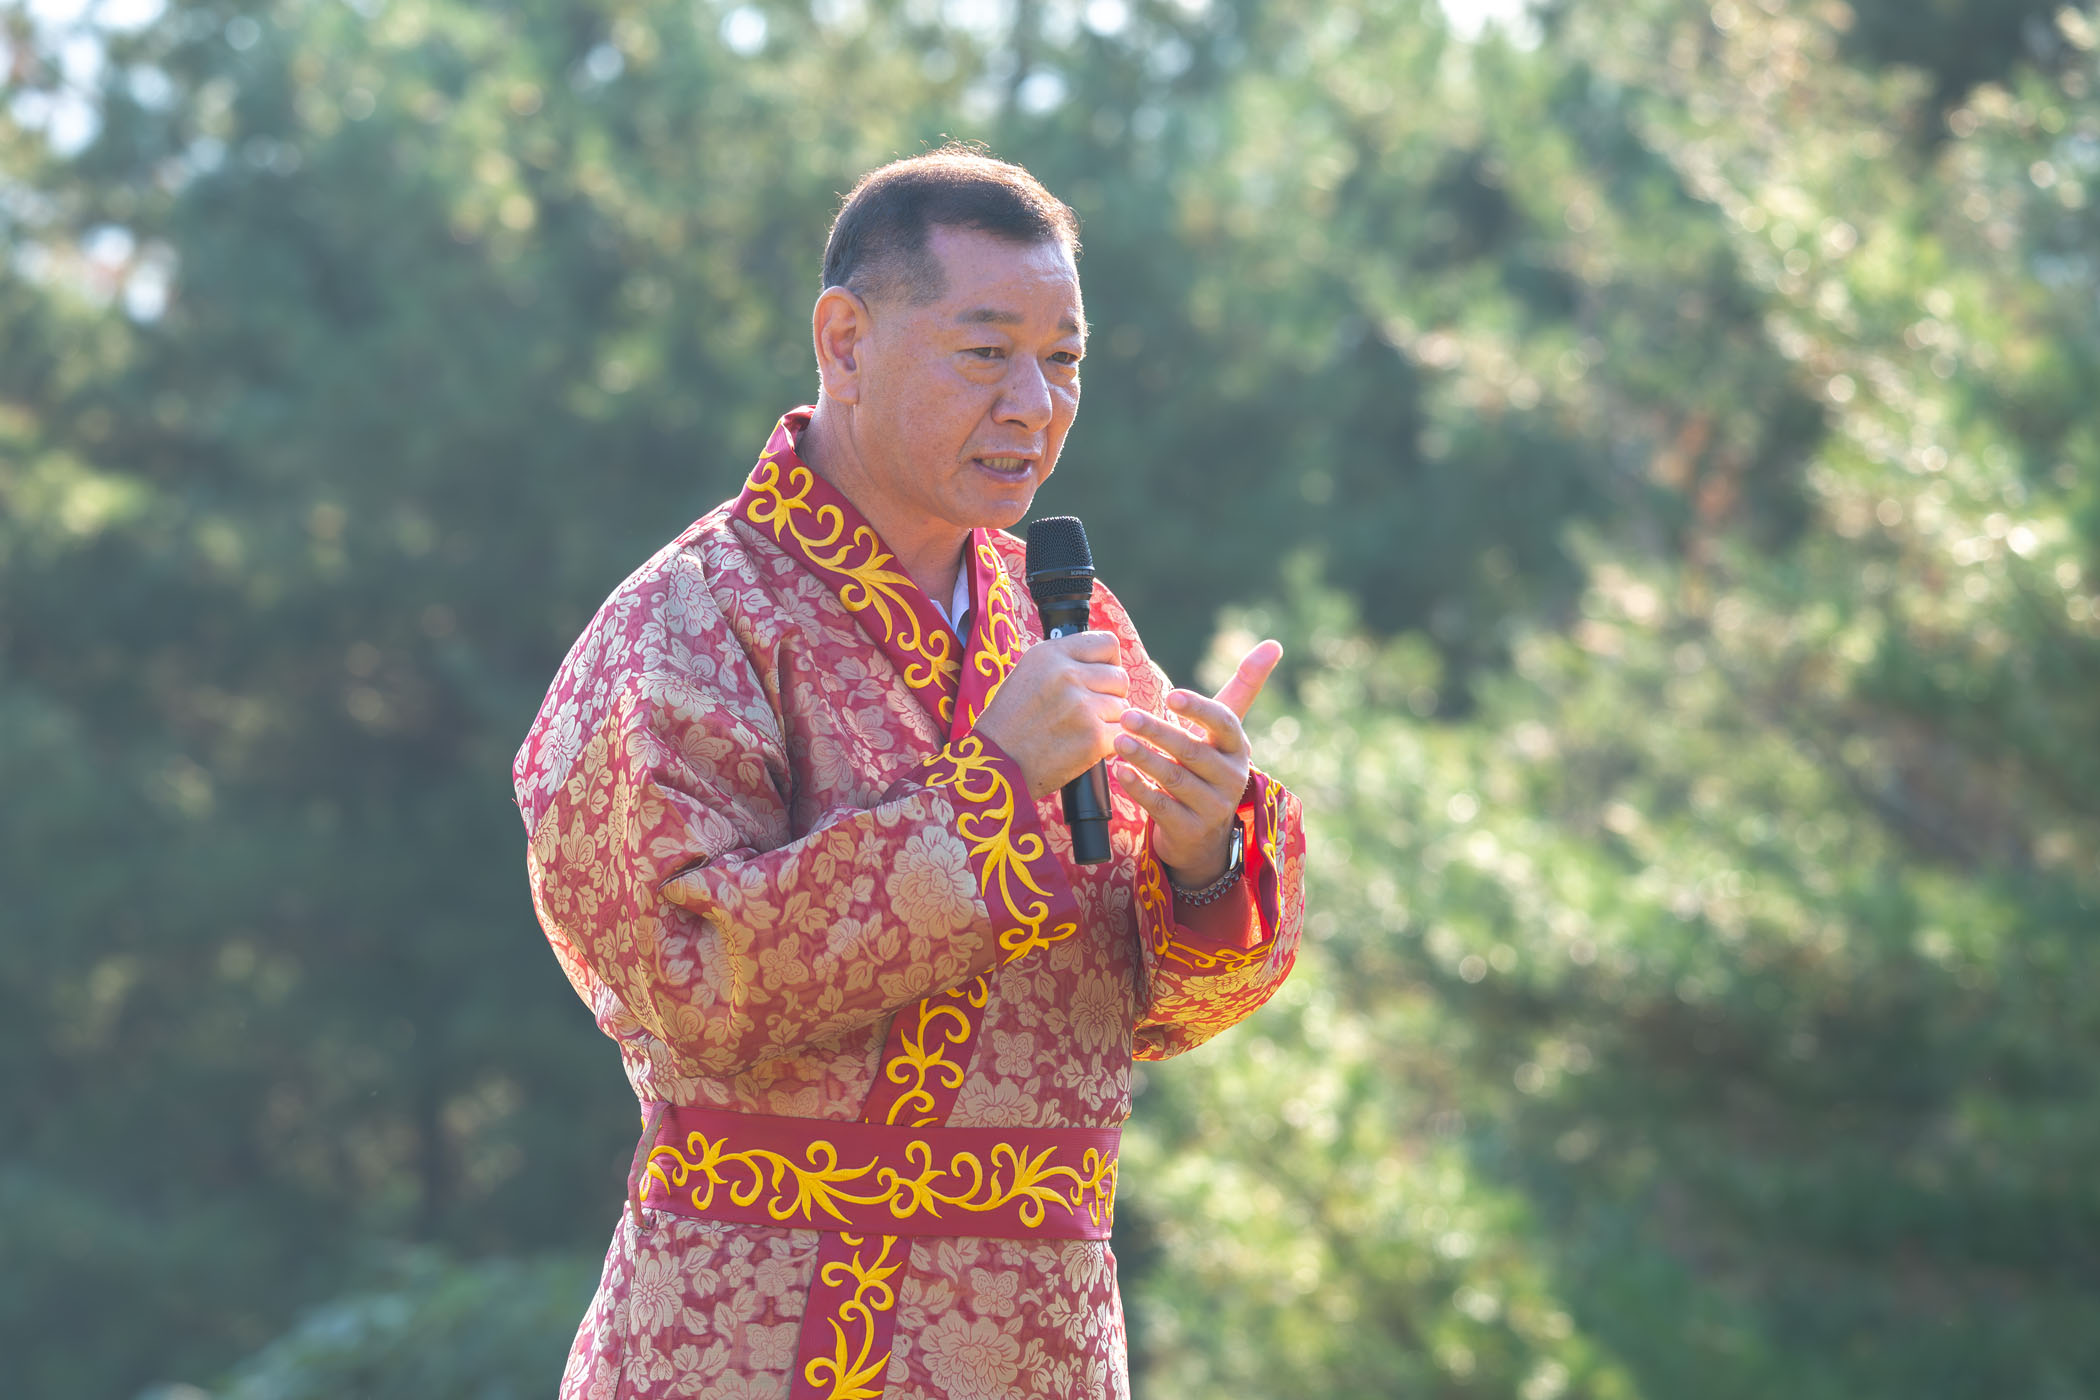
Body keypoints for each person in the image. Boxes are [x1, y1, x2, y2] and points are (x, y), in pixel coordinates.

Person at [513, 145, 1305, 1400]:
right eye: (987, 351)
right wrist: (993, 788)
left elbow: (1161, 1010)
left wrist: (1205, 855)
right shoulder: (689, 618)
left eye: (1066, 360)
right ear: (844, 341)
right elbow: (692, 977)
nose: (1035, 403)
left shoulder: (1070, 620)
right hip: (749, 1339)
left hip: (1034, 1347)